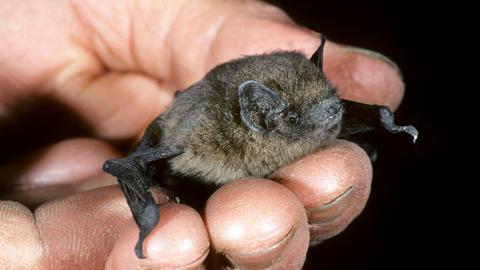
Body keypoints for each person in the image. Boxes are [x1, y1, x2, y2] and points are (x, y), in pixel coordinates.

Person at [0, 0, 405, 269]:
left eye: (328, 94)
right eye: (313, 110)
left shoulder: (318, 107)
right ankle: (156, 218)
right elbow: (142, 158)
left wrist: (379, 121)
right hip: (189, 153)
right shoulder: (202, 139)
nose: (334, 109)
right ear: (262, 118)